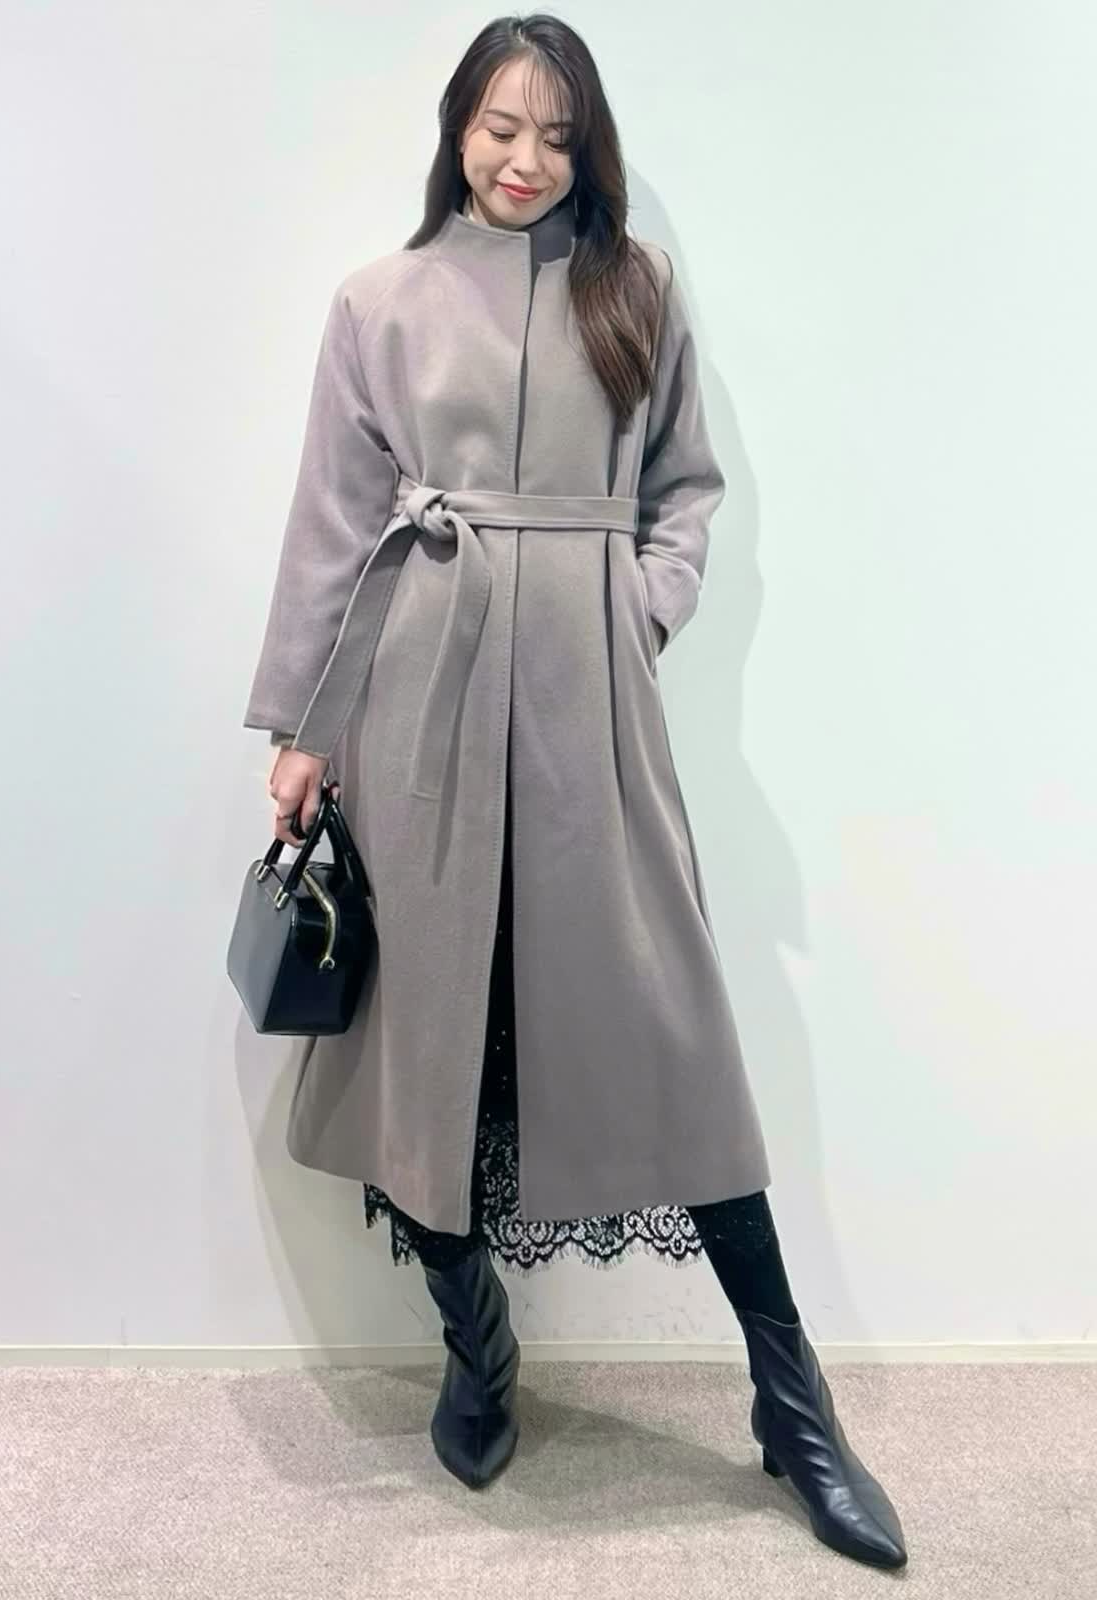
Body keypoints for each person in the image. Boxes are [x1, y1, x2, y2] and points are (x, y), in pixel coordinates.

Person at [242, 13, 907, 1570]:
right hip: (418, 702)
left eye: (554, 133)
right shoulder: (380, 302)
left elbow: (686, 491)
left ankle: (792, 1404)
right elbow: (334, 523)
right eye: (499, 126)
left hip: (590, 711)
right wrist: (302, 726)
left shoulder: (635, 291)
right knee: (426, 1048)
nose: (525, 159)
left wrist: (636, 613)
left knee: (670, 1030)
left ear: (586, 145)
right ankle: (477, 1349)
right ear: (457, 127)